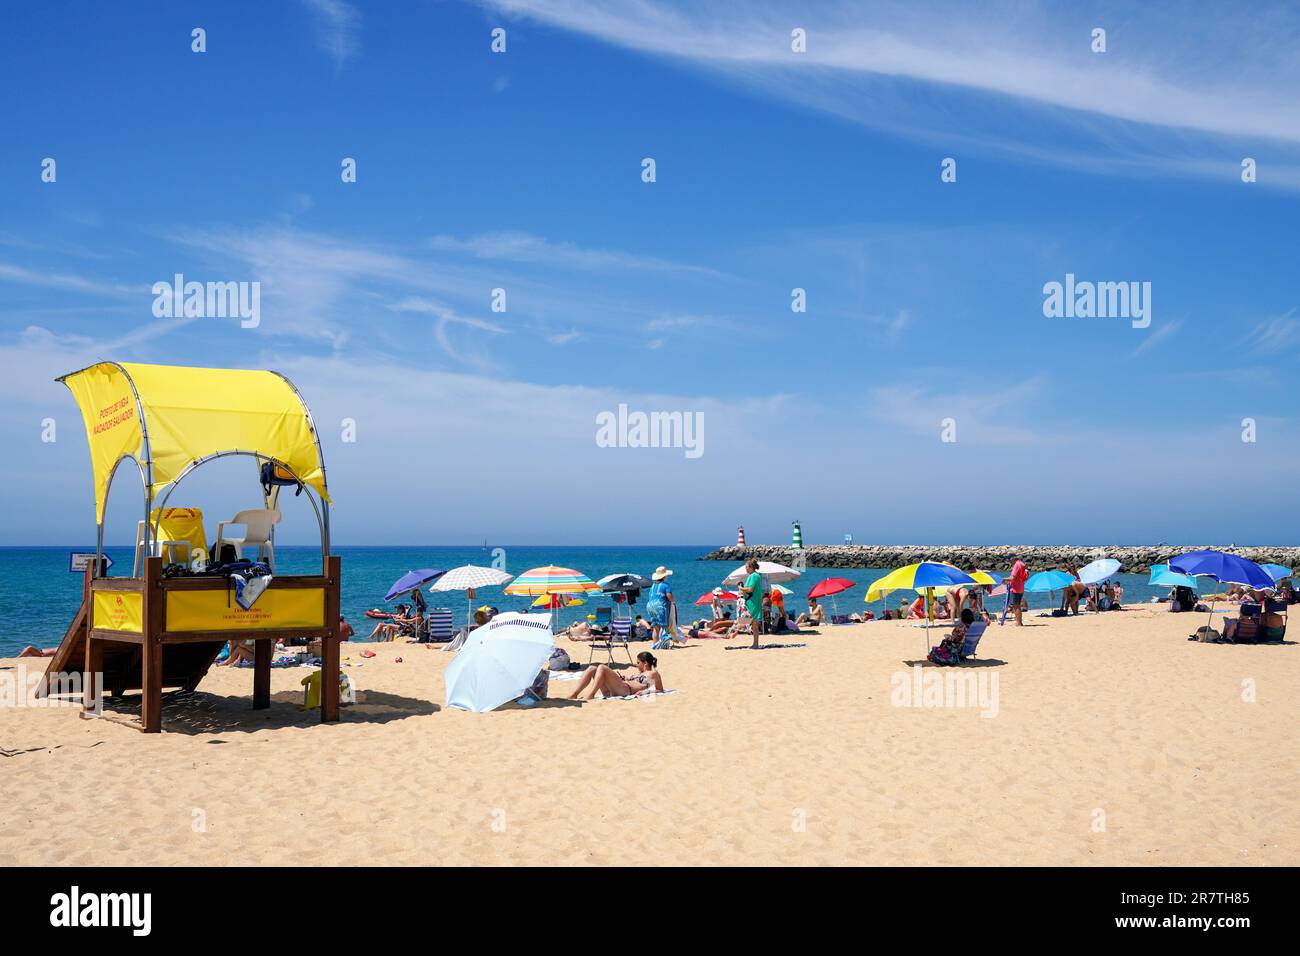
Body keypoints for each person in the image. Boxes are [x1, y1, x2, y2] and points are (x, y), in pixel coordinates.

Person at [566, 651, 663, 700]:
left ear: (645, 663)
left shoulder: (653, 673)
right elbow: (636, 681)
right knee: (592, 668)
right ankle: (574, 694)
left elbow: (660, 689)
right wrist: (626, 678)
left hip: (625, 690)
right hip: (616, 689)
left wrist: (645, 691)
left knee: (602, 667)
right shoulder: (640, 673)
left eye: (638, 663)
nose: (637, 665)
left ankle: (591, 695)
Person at [645, 566, 675, 645]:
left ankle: (655, 644)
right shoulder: (665, 585)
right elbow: (669, 596)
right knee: (664, 626)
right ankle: (664, 644)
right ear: (664, 577)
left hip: (650, 605)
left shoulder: (653, 586)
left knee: (656, 627)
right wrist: (673, 602)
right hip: (660, 606)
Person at [739, 558, 764, 648]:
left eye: (746, 567)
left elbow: (750, 589)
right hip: (754, 602)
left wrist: (741, 588)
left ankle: (732, 634)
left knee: (743, 622)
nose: (745, 569)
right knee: (754, 624)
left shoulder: (753, 576)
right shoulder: (756, 576)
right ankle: (755, 644)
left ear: (751, 567)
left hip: (752, 603)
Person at [1006, 557, 1028, 626]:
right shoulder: (1022, 564)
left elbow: (1013, 577)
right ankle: (1020, 622)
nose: (1009, 562)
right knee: (1017, 605)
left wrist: (1004, 579)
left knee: (1016, 606)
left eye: (1009, 560)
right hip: (1021, 587)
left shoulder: (1017, 565)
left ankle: (1018, 623)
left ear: (1013, 559)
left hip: (1015, 588)